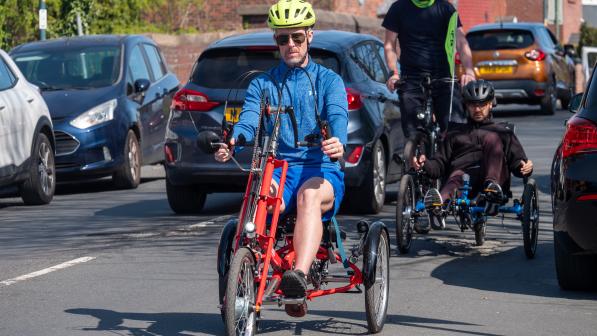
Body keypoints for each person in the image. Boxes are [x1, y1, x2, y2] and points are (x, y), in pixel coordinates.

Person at [214, 0, 348, 316]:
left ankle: (297, 278)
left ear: (310, 37)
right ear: (276, 41)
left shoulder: (329, 81)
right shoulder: (263, 83)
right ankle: (253, 264)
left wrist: (337, 141)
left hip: (320, 168)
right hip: (280, 169)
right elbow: (248, 120)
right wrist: (233, 141)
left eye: (297, 38)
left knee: (308, 197)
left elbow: (338, 115)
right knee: (262, 198)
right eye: (282, 39)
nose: (290, 45)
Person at [412, 80, 534, 228]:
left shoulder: (503, 132)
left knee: (492, 137)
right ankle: (438, 209)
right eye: (473, 105)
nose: (477, 109)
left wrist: (526, 167)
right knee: (455, 179)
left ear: (490, 104)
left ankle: (492, 194)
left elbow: (518, 164)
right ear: (466, 106)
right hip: (462, 177)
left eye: (482, 104)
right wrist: (425, 165)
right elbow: (439, 164)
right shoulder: (454, 132)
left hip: (492, 178)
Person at [382, 0, 476, 139]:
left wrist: (469, 72)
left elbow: (461, 42)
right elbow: (389, 45)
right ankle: (413, 153)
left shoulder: (446, 9)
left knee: (456, 131)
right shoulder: (398, 8)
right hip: (412, 78)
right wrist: (393, 73)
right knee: (412, 133)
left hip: (443, 77)